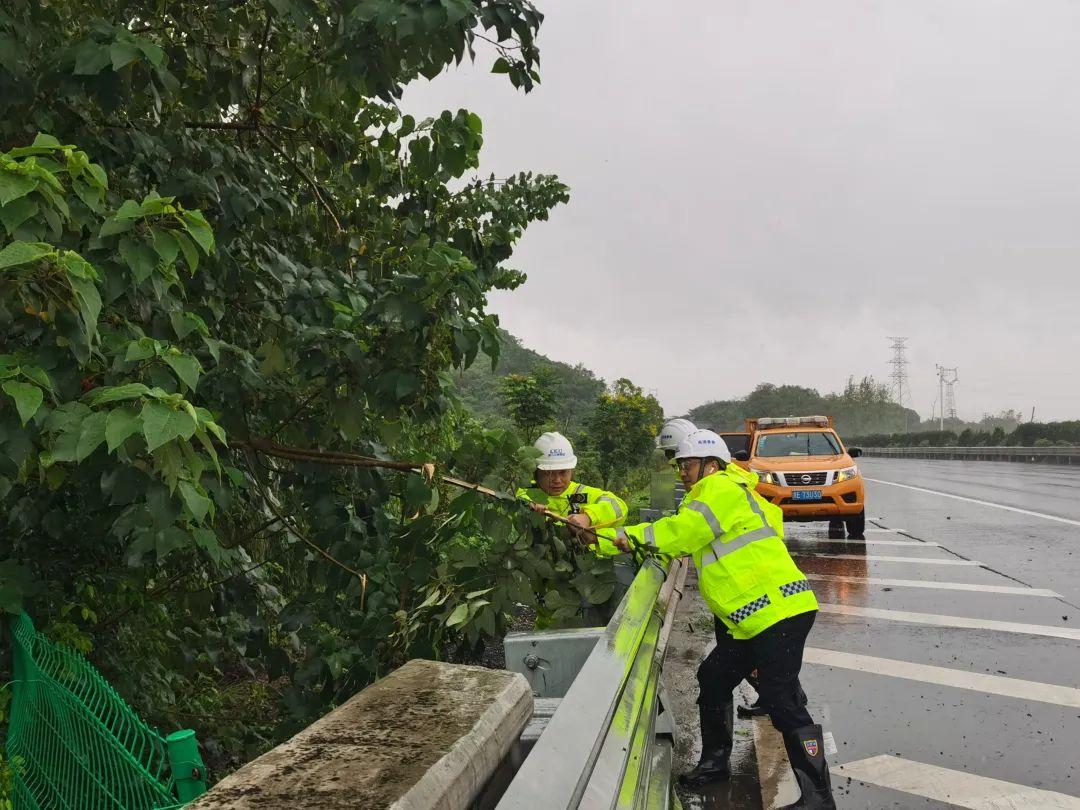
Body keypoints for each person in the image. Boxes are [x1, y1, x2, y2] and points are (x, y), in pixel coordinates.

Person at [596, 429, 835, 809]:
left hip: (777, 613)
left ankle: (819, 798)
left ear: (711, 464)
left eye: (687, 465)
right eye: (678, 466)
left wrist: (624, 535)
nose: (681, 473)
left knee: (782, 700)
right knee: (714, 676)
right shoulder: (736, 491)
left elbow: (681, 533)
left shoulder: (719, 487)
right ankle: (715, 763)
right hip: (753, 618)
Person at [516, 431, 628, 532]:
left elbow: (619, 506)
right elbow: (517, 498)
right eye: (548, 473)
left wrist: (588, 517)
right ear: (536, 471)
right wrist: (530, 505)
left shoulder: (581, 493)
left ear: (571, 470)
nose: (557, 480)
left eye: (563, 472)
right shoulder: (525, 492)